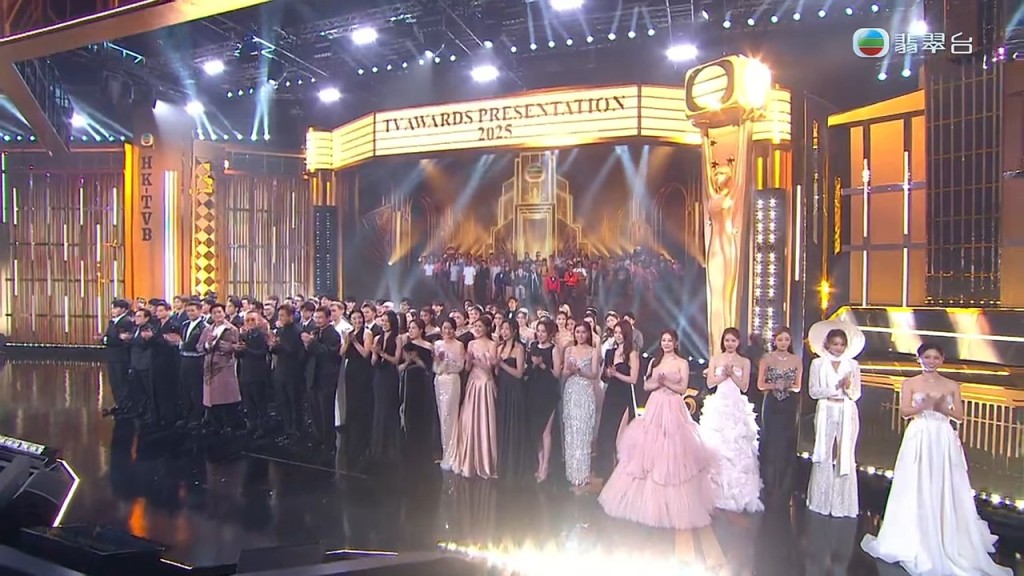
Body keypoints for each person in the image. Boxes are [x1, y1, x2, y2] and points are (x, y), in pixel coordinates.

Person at [861, 343, 1012, 576]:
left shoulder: (951, 385)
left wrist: (942, 408)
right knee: (916, 482)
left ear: (942, 360)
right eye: (927, 357)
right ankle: (916, 534)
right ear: (919, 359)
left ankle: (945, 531)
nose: (931, 361)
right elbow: (904, 411)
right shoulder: (910, 383)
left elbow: (959, 415)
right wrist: (922, 407)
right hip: (919, 434)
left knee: (943, 483)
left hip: (942, 436)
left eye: (935, 357)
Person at [598, 330, 715, 530]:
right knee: (649, 449)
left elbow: (683, 388)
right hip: (656, 405)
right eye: (663, 340)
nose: (666, 343)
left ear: (675, 343)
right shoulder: (655, 361)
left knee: (671, 449)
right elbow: (645, 385)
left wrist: (666, 382)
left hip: (673, 407)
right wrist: (656, 382)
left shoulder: (682, 363)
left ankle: (674, 505)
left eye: (669, 340)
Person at [698, 327, 762, 513]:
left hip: (736, 405)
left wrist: (733, 374)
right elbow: (710, 383)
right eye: (727, 340)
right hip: (719, 404)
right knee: (717, 446)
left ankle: (739, 493)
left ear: (738, 342)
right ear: (723, 341)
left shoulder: (744, 361)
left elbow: (745, 386)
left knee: (737, 447)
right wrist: (723, 375)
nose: (730, 343)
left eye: (733, 340)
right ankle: (714, 492)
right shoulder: (715, 359)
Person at [806, 321, 864, 518]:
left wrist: (848, 387)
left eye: (842, 344)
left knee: (845, 454)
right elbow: (813, 391)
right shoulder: (818, 364)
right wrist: (835, 387)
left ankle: (843, 505)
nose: (838, 348)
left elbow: (856, 394)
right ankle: (820, 501)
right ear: (827, 344)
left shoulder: (853, 365)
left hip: (847, 411)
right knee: (823, 453)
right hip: (826, 410)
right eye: (835, 344)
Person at [757, 326, 802, 505]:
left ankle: (784, 488)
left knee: (786, 444)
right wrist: (775, 385)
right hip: (772, 404)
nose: (783, 343)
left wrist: (788, 385)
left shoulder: (796, 359)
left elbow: (798, 386)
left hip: (789, 405)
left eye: (786, 340)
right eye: (780, 339)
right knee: (770, 442)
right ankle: (768, 485)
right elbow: (760, 384)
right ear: (774, 341)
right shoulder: (767, 358)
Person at [452, 316, 499, 479]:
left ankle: (485, 461)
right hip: (473, 383)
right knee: (468, 420)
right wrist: (469, 361)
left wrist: (476, 361)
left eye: (480, 326)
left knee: (484, 421)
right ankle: (468, 459)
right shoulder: (471, 343)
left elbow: (489, 369)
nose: (477, 329)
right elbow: (467, 368)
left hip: (485, 384)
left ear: (487, 328)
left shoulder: (492, 344)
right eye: (476, 326)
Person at [561, 321, 600, 494]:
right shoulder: (569, 350)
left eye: (583, 332)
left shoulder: (593, 351)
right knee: (571, 432)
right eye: (577, 332)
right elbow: (563, 373)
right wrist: (570, 371)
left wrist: (580, 372)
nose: (580, 335)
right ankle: (572, 475)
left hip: (585, 392)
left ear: (588, 334)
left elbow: (594, 374)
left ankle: (583, 477)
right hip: (571, 391)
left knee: (583, 433)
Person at [433, 318, 465, 471]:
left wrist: (448, 362)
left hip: (452, 381)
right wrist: (439, 362)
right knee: (442, 416)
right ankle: (446, 451)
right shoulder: (437, 344)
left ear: (454, 329)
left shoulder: (459, 345)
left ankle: (452, 454)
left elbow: (460, 366)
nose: (447, 331)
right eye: (445, 328)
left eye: (450, 328)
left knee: (449, 415)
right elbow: (435, 367)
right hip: (440, 381)